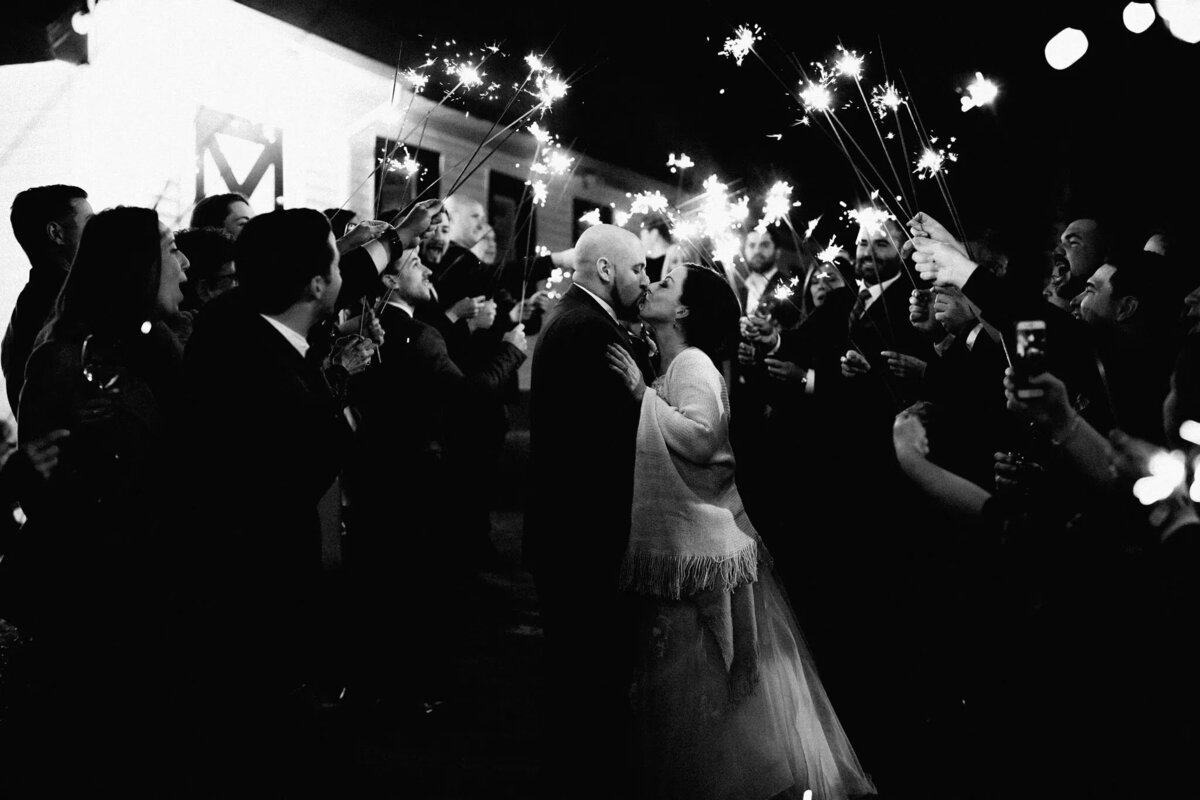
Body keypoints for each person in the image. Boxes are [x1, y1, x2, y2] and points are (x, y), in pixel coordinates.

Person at [606, 264, 875, 800]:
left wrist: (642, 396)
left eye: (664, 284)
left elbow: (704, 438)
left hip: (704, 552)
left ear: (683, 310)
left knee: (711, 691)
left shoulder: (692, 363)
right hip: (696, 549)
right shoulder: (676, 360)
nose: (650, 285)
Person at [3, 206, 189, 791]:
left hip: (154, 586)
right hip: (98, 600)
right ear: (137, 266)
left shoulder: (156, 344)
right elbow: (48, 487)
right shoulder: (63, 359)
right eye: (171, 249)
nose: (184, 263)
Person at [524, 222, 651, 797]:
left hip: (564, 530)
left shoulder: (577, 318)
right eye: (638, 268)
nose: (644, 280)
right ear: (605, 269)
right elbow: (611, 442)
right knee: (585, 680)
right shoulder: (591, 330)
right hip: (583, 537)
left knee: (572, 676)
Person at [2, 184, 94, 413]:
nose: (98, 233)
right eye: (90, 223)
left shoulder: (23, 312)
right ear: (56, 234)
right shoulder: (75, 303)